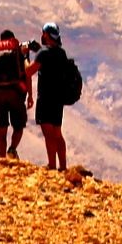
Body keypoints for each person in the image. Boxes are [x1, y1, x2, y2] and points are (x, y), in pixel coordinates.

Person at [28, 21, 81, 172]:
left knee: (48, 133)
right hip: (58, 99)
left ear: (45, 34)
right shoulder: (61, 52)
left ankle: (52, 165)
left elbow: (29, 71)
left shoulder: (43, 53)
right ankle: (63, 167)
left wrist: (26, 58)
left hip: (45, 98)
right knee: (58, 133)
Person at [0, 29, 30, 158]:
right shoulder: (18, 50)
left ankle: (3, 158)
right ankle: (12, 149)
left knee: (1, 129)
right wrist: (30, 95)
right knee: (19, 126)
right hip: (15, 93)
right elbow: (27, 74)